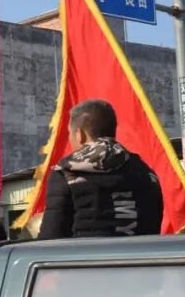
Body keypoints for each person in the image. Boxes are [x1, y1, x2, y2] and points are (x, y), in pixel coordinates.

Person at [38, 98, 163, 239]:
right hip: (140, 259)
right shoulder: (146, 173)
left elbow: (51, 238)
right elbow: (153, 228)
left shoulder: (67, 172)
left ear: (80, 135)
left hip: (84, 259)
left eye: (70, 133)